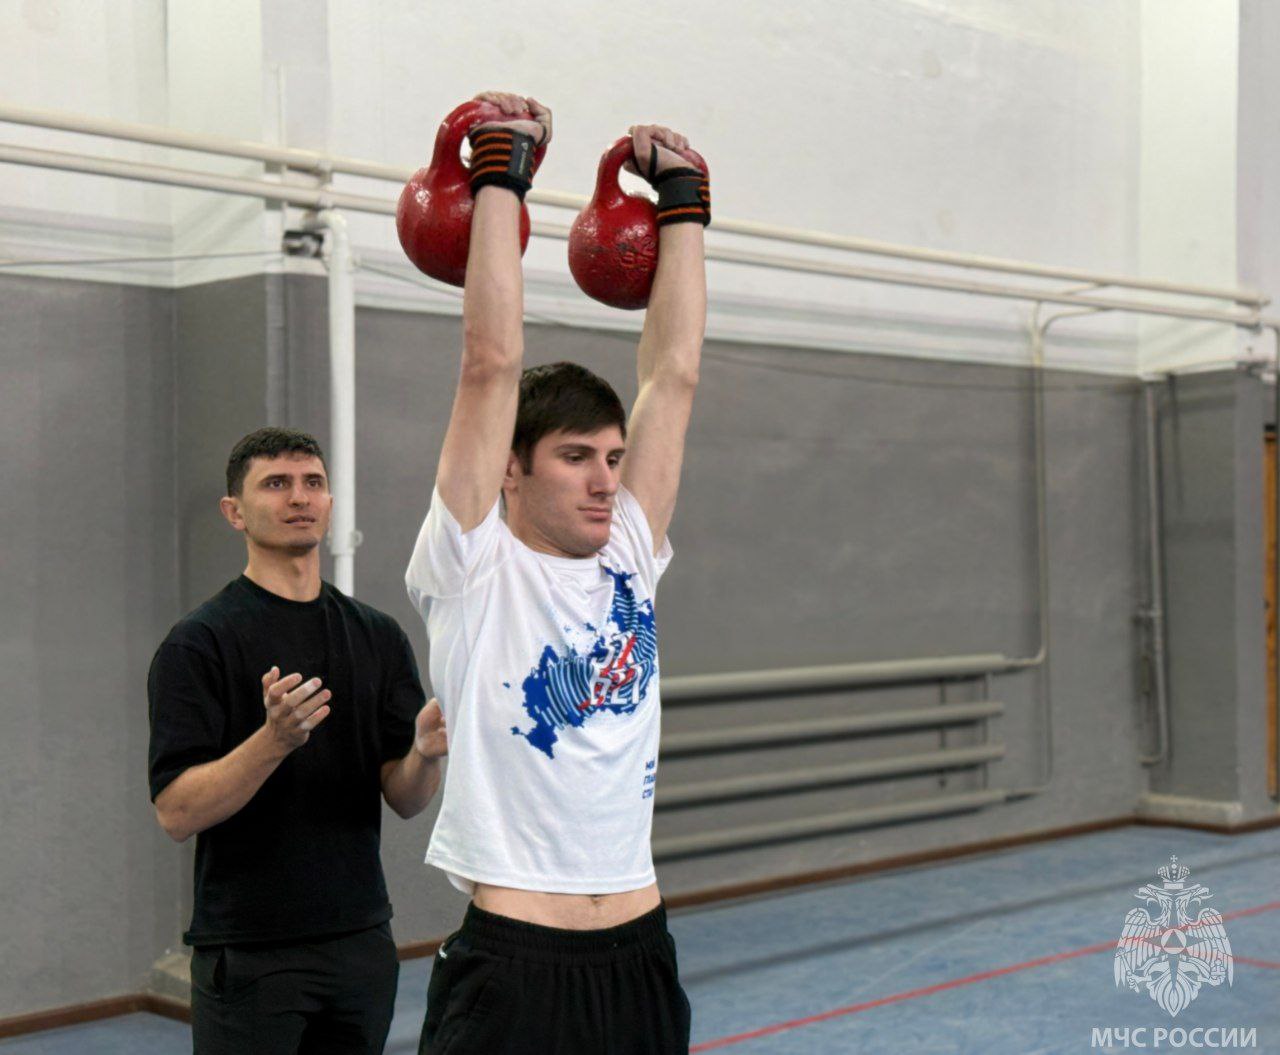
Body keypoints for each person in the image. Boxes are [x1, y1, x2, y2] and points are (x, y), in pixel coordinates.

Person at [405, 90, 709, 1055]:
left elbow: (677, 372)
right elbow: (491, 363)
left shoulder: (627, 550)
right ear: (511, 466)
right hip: (514, 968)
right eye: (577, 456)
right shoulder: (469, 563)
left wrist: (684, 207)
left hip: (640, 951)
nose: (605, 482)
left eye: (614, 459)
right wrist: (500, 173)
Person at [148, 426, 448, 1055]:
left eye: (313, 482)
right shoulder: (198, 643)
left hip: (360, 941)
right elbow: (177, 812)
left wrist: (423, 754)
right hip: (251, 951)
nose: (299, 497)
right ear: (235, 512)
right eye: (276, 484)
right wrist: (274, 741)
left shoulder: (377, 635)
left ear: (331, 502)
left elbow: (407, 798)